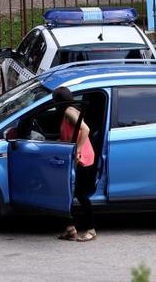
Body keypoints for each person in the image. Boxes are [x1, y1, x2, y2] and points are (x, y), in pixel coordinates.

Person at [53, 86, 98, 242]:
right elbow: (71, 134)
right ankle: (70, 228)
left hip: (82, 158)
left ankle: (91, 230)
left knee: (80, 194)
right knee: (69, 193)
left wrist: (77, 150)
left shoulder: (68, 112)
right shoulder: (71, 110)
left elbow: (86, 130)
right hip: (77, 157)